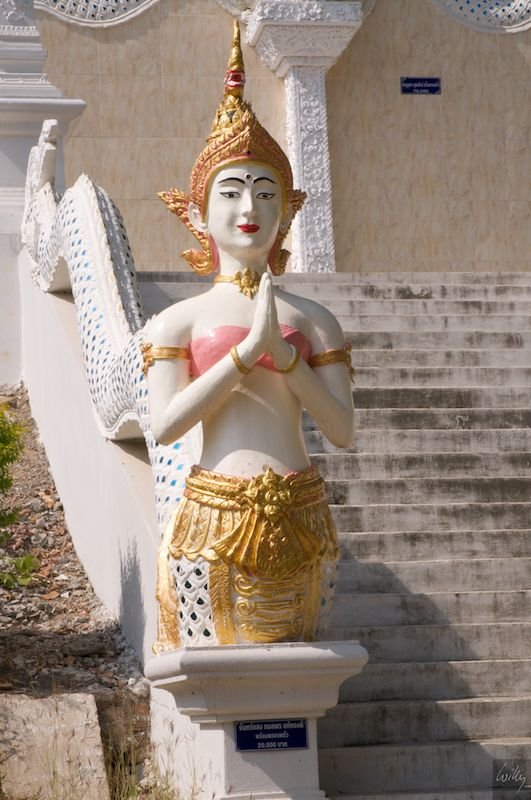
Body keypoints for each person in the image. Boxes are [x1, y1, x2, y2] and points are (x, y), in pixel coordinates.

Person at [143, 21, 355, 651]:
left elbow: (342, 430)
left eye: (266, 194)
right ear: (197, 211)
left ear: (287, 209)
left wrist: (286, 357)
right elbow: (165, 426)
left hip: (303, 516)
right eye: (231, 192)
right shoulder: (178, 321)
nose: (249, 209)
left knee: (296, 670)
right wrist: (242, 355)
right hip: (211, 517)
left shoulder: (314, 319)